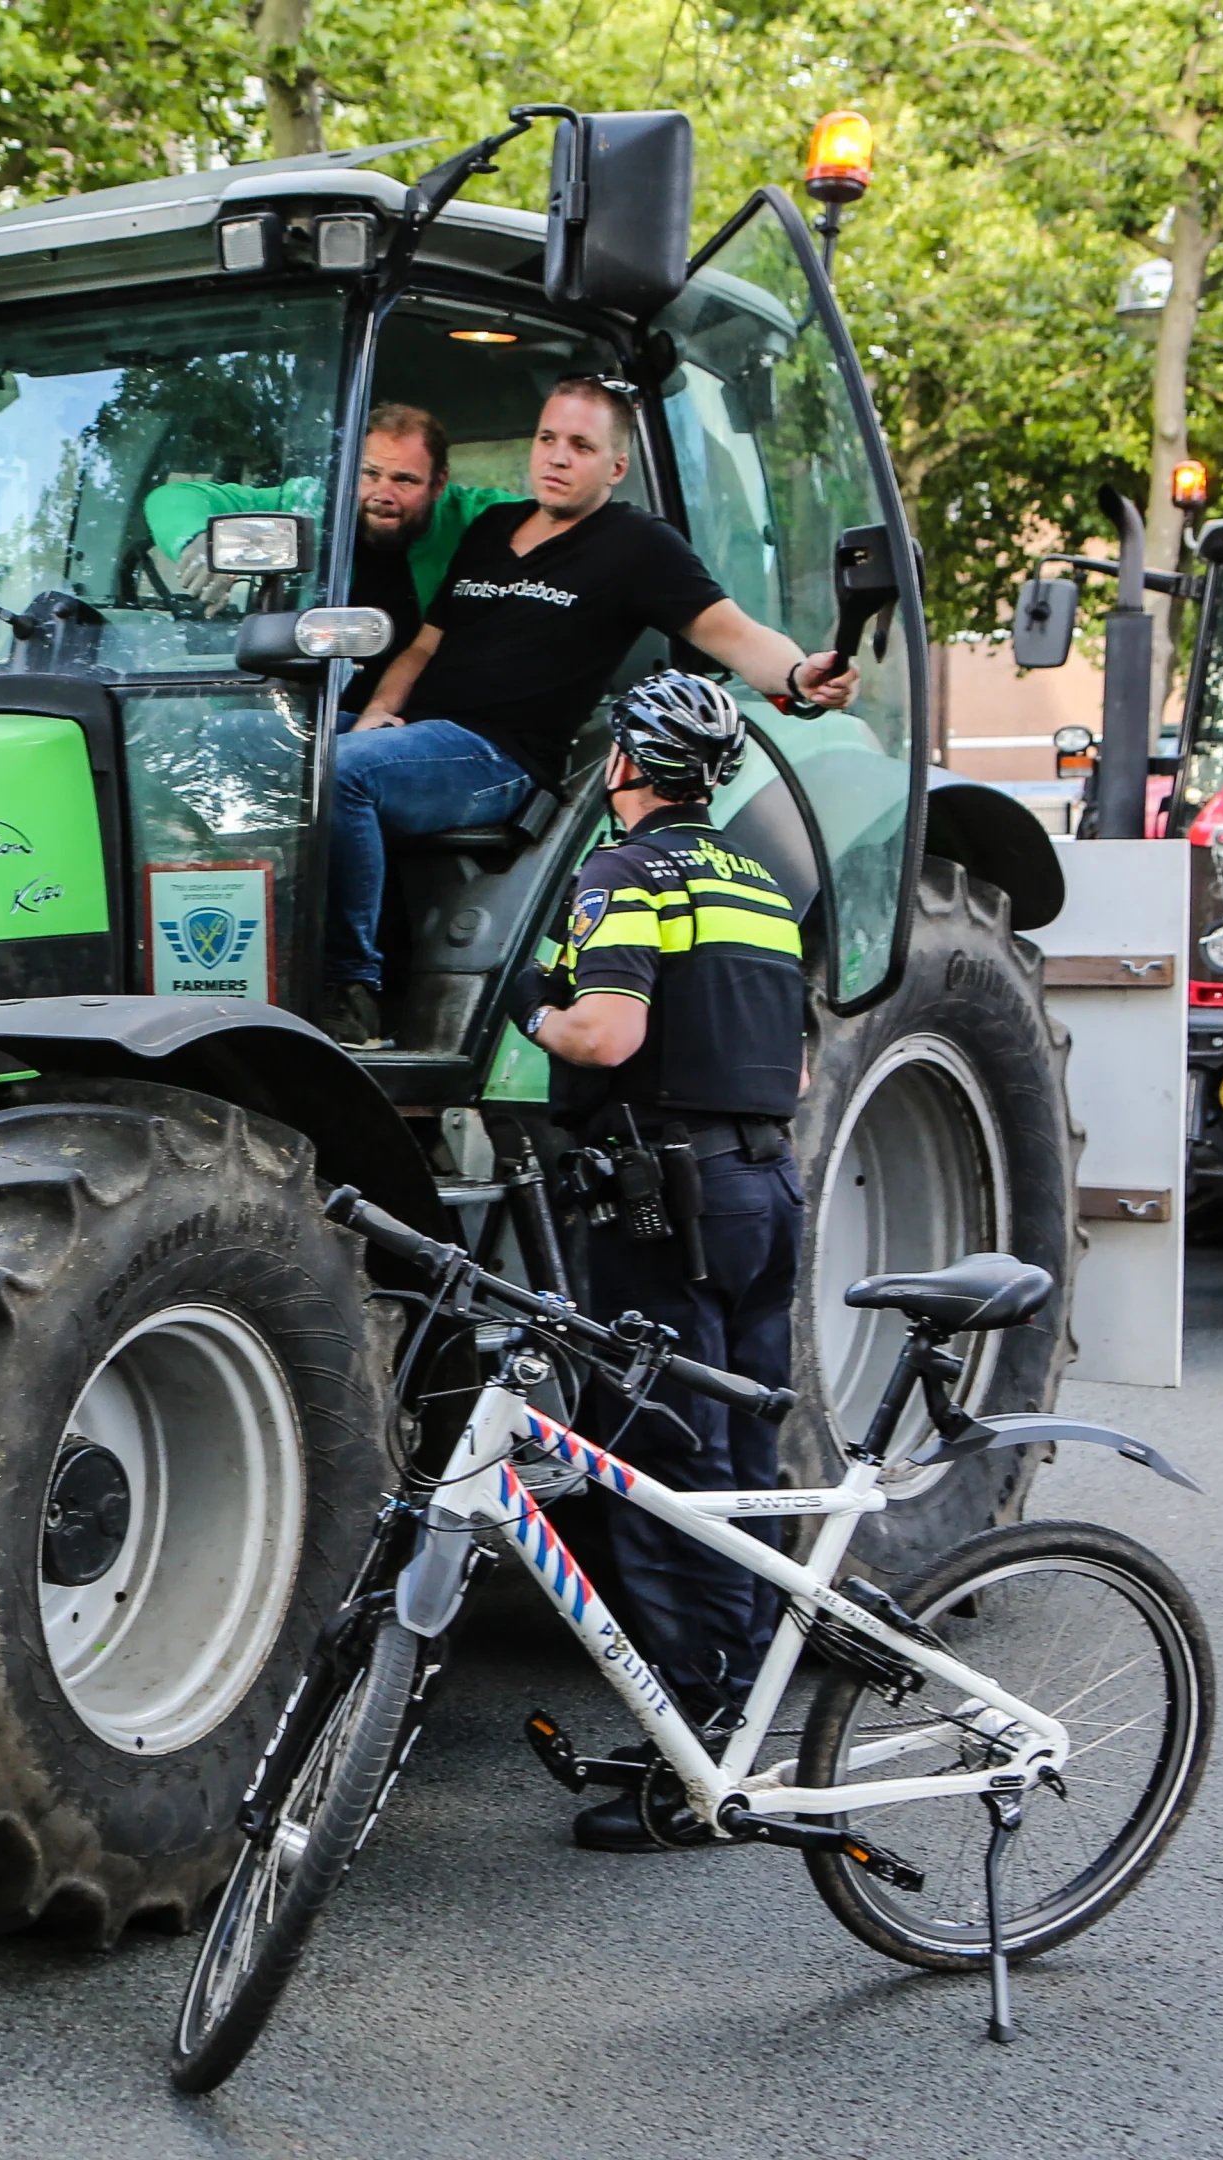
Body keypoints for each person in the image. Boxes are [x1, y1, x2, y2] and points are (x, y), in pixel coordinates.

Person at [502, 671, 808, 1853]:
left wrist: (536, 1002)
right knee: (745, 1445)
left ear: (627, 765)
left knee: (659, 1458)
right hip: (762, 1186)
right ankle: (746, 1707)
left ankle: (691, 1764)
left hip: (662, 1197)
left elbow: (605, 1030)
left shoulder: (625, 873)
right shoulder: (761, 881)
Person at [324, 376, 856, 1050]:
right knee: (263, 749)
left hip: (499, 756)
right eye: (548, 438)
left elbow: (735, 634)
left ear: (616, 467)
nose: (556, 456)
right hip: (422, 736)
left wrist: (801, 675)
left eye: (580, 445)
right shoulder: (492, 529)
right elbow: (426, 646)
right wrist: (376, 712)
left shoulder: (636, 546)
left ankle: (347, 992)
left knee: (340, 772)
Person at [141, 403, 518, 720]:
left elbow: (560, 521)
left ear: (439, 484)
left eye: (404, 481)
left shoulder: (476, 515)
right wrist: (198, 539)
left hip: (424, 718)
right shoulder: (310, 504)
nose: (382, 494)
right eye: (369, 474)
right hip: (314, 710)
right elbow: (175, 497)